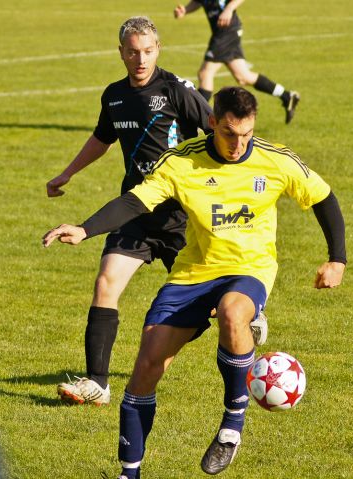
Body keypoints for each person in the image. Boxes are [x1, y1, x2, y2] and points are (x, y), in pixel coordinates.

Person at [43, 86, 346, 478]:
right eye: (229, 133)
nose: (238, 143)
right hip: (193, 272)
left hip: (249, 268)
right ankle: (128, 472)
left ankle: (232, 424)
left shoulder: (276, 160)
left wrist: (336, 259)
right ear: (211, 122)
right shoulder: (181, 161)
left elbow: (324, 197)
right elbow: (135, 201)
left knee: (233, 312)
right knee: (147, 363)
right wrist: (85, 229)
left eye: (246, 134)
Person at [45, 16, 213, 406]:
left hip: (181, 217)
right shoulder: (114, 95)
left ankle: (247, 312)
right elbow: (102, 139)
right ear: (121, 52)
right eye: (133, 52)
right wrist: (67, 174)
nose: (141, 59)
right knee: (106, 282)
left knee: (216, 303)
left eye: (148, 51)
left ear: (159, 49)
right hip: (136, 211)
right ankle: (98, 383)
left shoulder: (176, 90)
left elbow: (216, 130)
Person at [173, 0, 300, 123]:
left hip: (227, 30)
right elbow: (198, 1)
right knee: (243, 77)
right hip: (223, 31)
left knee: (205, 73)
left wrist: (228, 9)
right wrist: (185, 10)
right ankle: (287, 96)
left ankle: (196, 120)